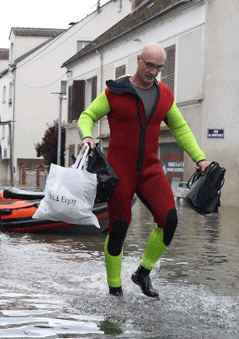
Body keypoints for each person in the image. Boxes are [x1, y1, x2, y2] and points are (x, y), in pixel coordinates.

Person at [78, 43, 210, 298]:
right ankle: (115, 288)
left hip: (150, 170)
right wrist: (86, 136)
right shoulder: (115, 92)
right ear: (138, 60)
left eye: (159, 67)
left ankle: (142, 272)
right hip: (120, 172)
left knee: (169, 219)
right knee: (119, 227)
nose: (153, 71)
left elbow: (180, 129)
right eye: (149, 65)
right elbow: (88, 115)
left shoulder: (165, 96)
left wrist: (200, 159)